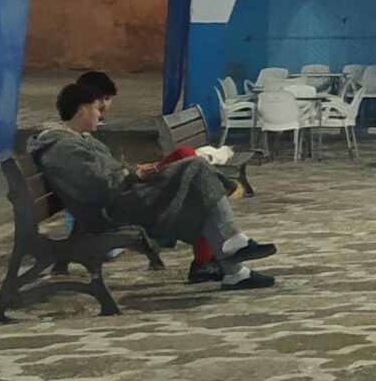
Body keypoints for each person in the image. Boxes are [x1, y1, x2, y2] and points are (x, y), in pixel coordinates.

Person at [31, 74, 278, 291]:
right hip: (112, 210)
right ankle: (233, 244)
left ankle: (235, 270)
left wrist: (132, 171)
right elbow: (95, 188)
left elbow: (103, 175)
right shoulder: (63, 147)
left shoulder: (77, 140)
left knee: (198, 188)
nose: (102, 114)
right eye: (98, 109)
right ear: (83, 109)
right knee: (196, 168)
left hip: (122, 198)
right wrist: (130, 176)